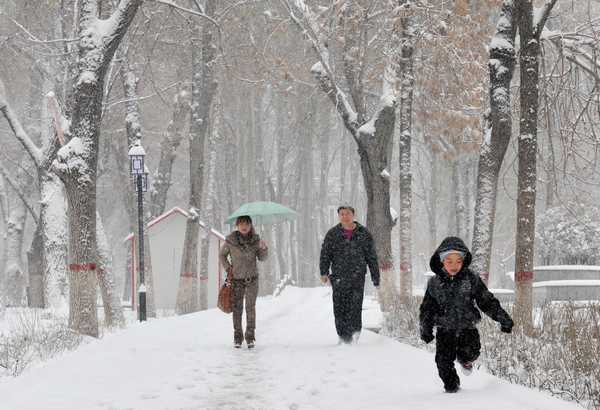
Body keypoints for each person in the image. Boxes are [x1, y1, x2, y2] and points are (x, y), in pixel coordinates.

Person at [419, 236, 514, 393]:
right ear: (441, 261)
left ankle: (466, 362)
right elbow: (427, 309)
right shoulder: (435, 284)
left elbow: (487, 301)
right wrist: (425, 329)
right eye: (449, 261)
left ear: (463, 261)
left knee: (469, 353)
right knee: (443, 362)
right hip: (445, 329)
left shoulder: (471, 279)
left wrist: (504, 319)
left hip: (468, 328)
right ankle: (452, 388)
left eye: (458, 261)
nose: (454, 265)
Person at [319, 203, 380, 344]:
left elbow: (371, 256)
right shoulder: (333, 234)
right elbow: (325, 254)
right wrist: (324, 272)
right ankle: (343, 336)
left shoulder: (363, 233)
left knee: (355, 307)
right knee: (339, 308)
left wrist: (375, 276)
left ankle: (354, 336)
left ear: (353, 215)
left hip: (357, 277)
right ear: (339, 216)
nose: (345, 217)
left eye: (347, 214)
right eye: (342, 214)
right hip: (338, 277)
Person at [219, 215, 268, 349]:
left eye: (246, 224)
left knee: (250, 308)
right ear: (237, 225)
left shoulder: (256, 239)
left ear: (250, 225)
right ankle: (237, 338)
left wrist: (263, 248)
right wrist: (229, 268)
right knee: (237, 308)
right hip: (236, 280)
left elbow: (262, 258)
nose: (244, 227)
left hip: (252, 279)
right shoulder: (231, 241)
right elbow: (222, 255)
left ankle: (250, 336)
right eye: (241, 224)